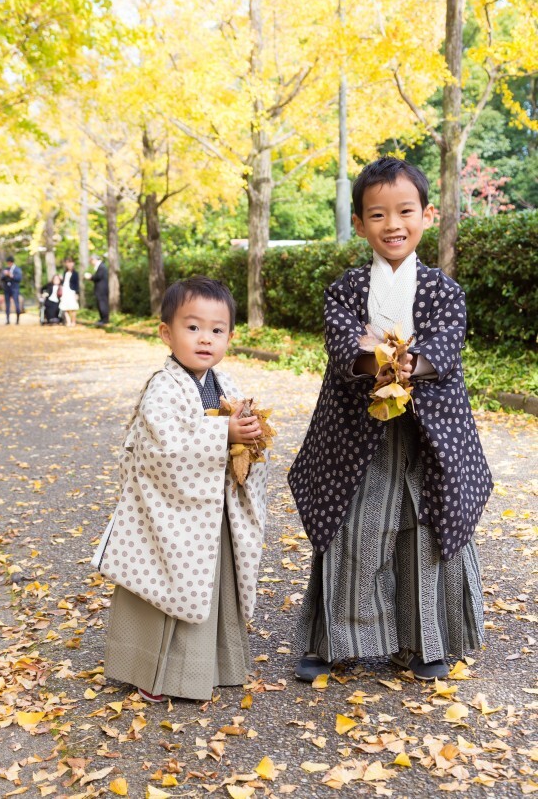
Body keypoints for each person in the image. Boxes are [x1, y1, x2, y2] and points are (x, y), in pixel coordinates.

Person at [288, 156, 493, 683]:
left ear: (427, 215)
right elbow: (342, 346)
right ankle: (336, 643)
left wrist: (411, 362)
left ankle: (425, 643)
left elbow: (445, 346)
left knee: (425, 532)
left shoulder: (443, 290)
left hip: (428, 434)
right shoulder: (347, 288)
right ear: (358, 224)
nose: (393, 225)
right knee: (352, 529)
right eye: (377, 215)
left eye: (405, 211)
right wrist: (372, 360)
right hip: (358, 432)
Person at [92, 276, 269, 702]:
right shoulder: (163, 388)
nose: (205, 339)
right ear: (166, 333)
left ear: (230, 335)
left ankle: (213, 666)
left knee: (213, 585)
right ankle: (153, 674)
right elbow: (165, 449)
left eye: (217, 330)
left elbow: (239, 439)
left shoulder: (226, 385)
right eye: (192, 328)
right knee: (164, 586)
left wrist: (251, 438)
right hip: (168, 517)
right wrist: (222, 433)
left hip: (213, 509)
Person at [84, 254, 109, 324]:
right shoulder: (100, 266)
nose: (91, 263)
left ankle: (105, 320)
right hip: (100, 289)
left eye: (91, 261)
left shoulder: (101, 267)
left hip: (102, 290)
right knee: (100, 304)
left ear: (94, 260)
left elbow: (98, 277)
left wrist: (90, 277)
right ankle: (102, 319)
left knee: (102, 304)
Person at [2, 256, 22, 325]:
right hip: (7, 289)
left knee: (16, 304)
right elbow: (2, 278)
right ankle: (7, 319)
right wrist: (5, 275)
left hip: (14, 288)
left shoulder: (17, 269)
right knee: (7, 305)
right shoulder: (6, 269)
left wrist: (11, 275)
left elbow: (19, 278)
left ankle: (17, 319)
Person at [59, 258, 80, 326]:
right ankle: (68, 322)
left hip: (72, 291)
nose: (69, 264)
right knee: (65, 307)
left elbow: (77, 284)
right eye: (67, 263)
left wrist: (77, 293)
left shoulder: (75, 273)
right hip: (65, 291)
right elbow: (64, 282)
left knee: (73, 307)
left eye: (70, 262)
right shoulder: (65, 273)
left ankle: (73, 322)